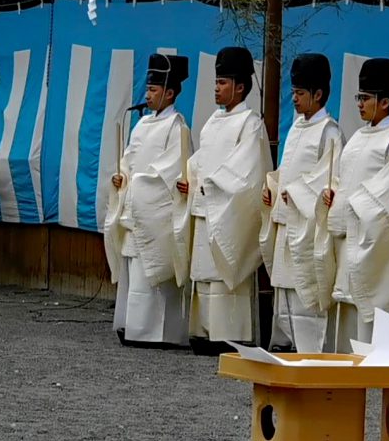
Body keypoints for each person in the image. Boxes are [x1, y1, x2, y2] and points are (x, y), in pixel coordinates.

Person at [174, 47, 272, 355]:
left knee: (223, 271)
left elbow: (249, 173)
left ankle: (229, 333)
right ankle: (202, 331)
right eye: (216, 82)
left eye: (223, 82)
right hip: (206, 207)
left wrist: (214, 186)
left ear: (240, 87)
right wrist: (189, 177)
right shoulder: (212, 123)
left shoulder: (250, 123)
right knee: (204, 272)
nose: (217, 88)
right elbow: (201, 159)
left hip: (226, 210)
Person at [105, 54, 192, 347]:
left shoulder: (177, 127)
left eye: (154, 90)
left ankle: (158, 333)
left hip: (155, 214)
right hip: (135, 209)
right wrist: (122, 178)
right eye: (148, 88)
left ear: (169, 93)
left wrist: (137, 185)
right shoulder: (141, 125)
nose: (148, 94)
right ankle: (132, 324)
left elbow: (171, 171)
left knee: (152, 273)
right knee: (134, 272)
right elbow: (128, 162)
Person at [261, 53, 345, 353]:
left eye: (300, 93)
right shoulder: (297, 127)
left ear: (318, 94)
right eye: (293, 92)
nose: (294, 99)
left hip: (308, 227)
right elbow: (289, 168)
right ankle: (287, 345)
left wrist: (298, 194)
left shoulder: (329, 131)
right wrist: (273, 185)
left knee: (304, 293)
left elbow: (331, 180)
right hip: (286, 221)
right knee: (285, 290)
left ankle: (310, 350)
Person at [320, 58, 389, 351]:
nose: (359, 103)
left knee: (368, 303)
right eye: (359, 97)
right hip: (347, 237)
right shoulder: (356, 137)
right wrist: (334, 195)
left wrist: (356, 207)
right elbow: (344, 179)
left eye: (365, 98)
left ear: (384, 102)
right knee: (346, 300)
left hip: (371, 240)